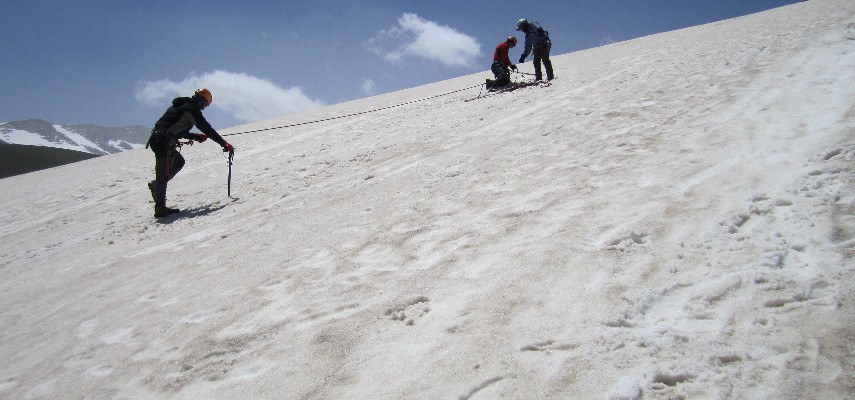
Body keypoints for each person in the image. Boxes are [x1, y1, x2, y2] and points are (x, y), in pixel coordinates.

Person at [146, 88, 234, 218]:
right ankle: (160, 207)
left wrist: (196, 137)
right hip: (163, 142)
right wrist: (224, 143)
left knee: (178, 162)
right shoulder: (191, 109)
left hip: (160, 139)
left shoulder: (180, 106)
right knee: (163, 174)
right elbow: (206, 128)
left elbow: (175, 128)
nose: (203, 108)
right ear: (202, 101)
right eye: (204, 105)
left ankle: (157, 187)